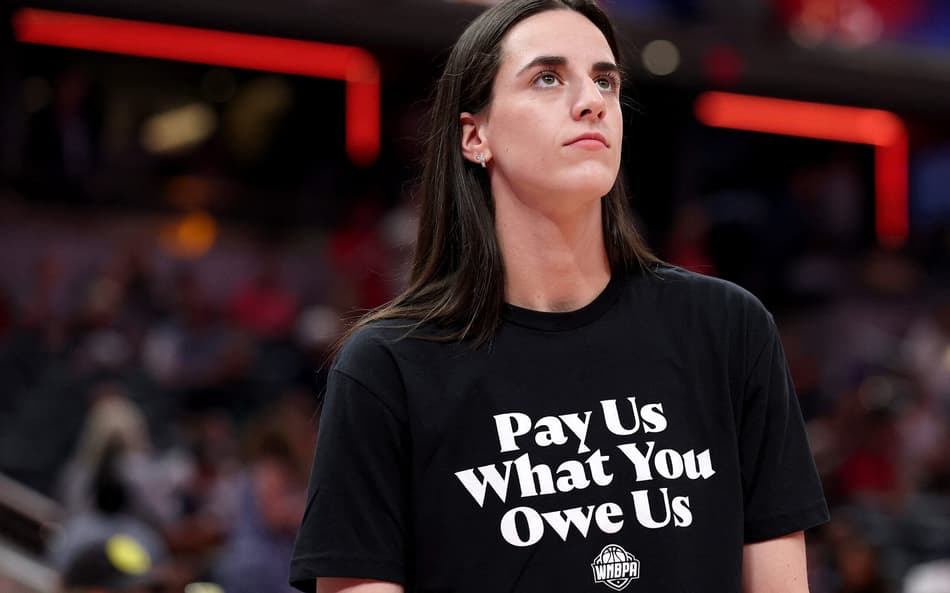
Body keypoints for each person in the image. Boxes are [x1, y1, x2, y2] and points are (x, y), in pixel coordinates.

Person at [290, 1, 829, 592]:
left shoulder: (729, 328)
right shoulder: (388, 365)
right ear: (476, 136)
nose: (592, 100)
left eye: (605, 80)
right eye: (547, 77)